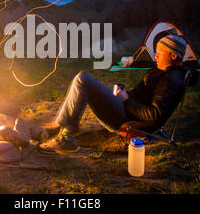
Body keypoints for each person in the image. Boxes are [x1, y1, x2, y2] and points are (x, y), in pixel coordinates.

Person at [39, 34, 188, 154]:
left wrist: (126, 99)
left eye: (159, 53)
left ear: (173, 56)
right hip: (127, 109)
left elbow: (154, 114)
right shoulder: (166, 71)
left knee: (82, 79)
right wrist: (124, 94)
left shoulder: (171, 80)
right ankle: (63, 127)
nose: (155, 56)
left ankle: (66, 137)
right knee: (83, 80)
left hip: (128, 120)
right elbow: (144, 94)